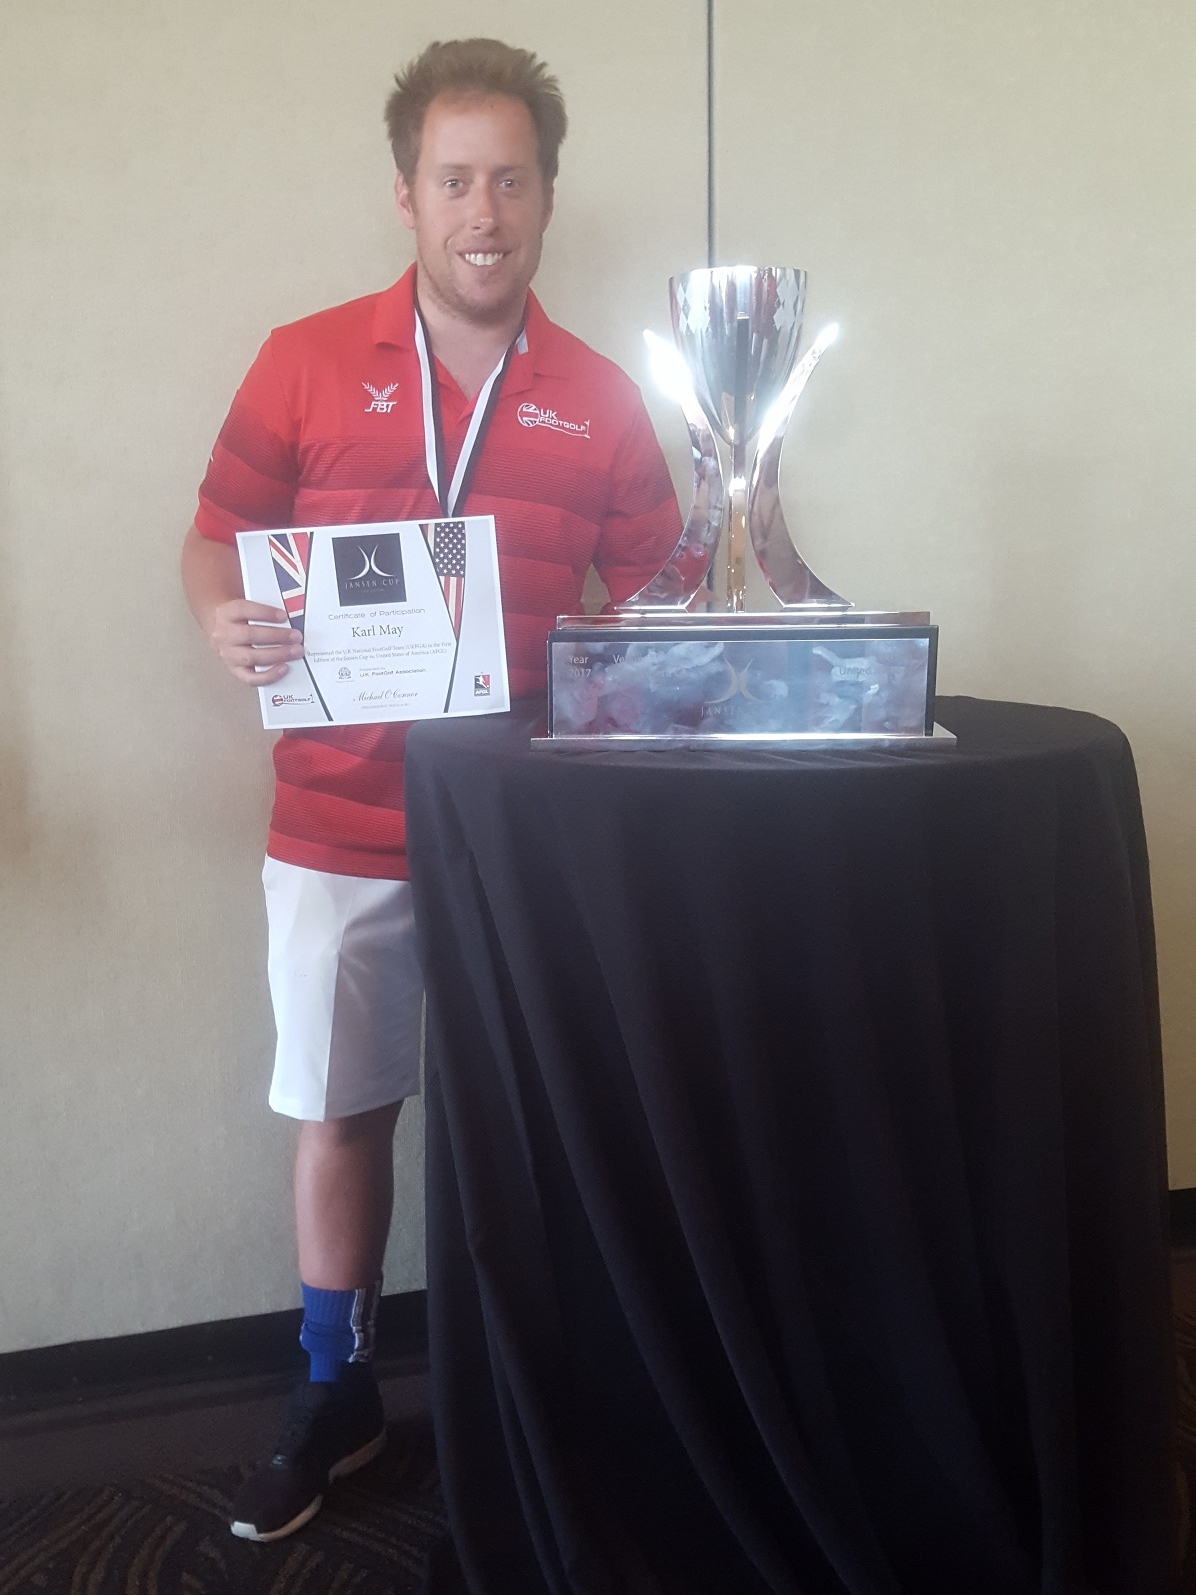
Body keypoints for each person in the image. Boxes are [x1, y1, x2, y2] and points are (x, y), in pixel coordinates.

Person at [181, 37, 681, 1543]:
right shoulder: (303, 358)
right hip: (336, 826)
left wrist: (628, 676)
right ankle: (334, 1393)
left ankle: (527, 1395)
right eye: (455, 180)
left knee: (529, 1120)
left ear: (547, 197)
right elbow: (214, 532)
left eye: (511, 181)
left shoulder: (603, 398)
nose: (485, 213)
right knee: (342, 1114)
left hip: (522, 839)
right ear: (406, 194)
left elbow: (654, 601)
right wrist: (223, 616)